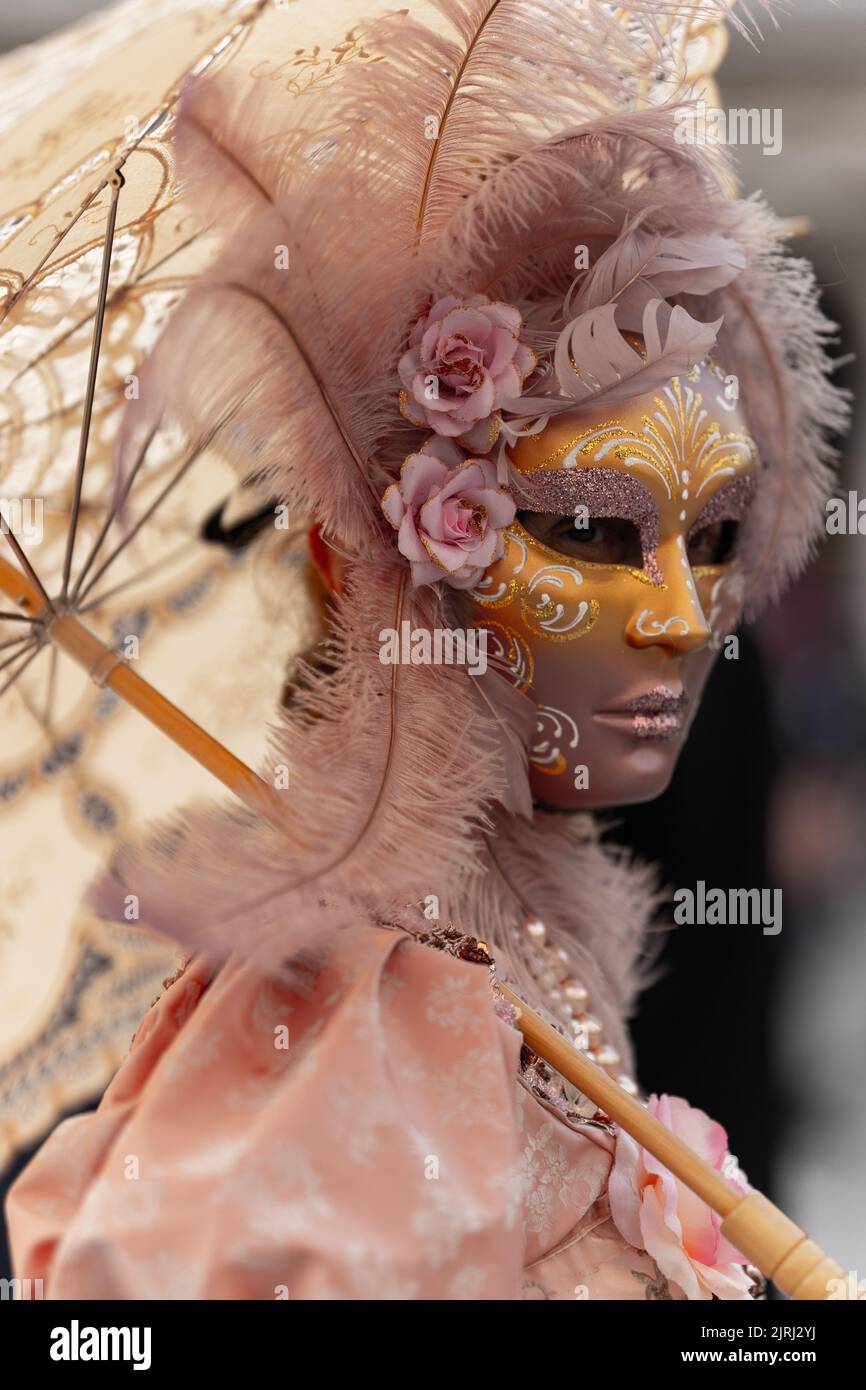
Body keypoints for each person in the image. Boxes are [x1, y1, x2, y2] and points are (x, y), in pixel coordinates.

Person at [4, 0, 847, 1299]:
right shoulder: (357, 1017)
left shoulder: (503, 965)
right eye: (594, 532)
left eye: (720, 534)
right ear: (390, 559)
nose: (687, 614)